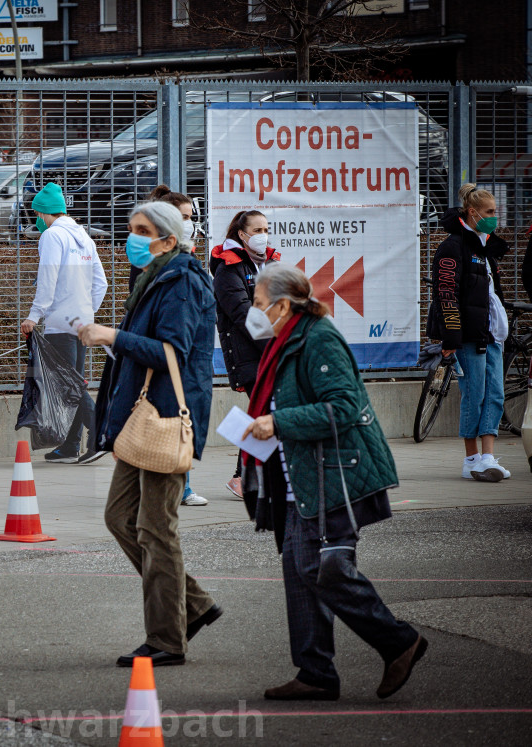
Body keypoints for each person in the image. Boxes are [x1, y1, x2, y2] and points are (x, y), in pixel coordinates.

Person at [241, 263, 426, 701]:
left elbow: (344, 407)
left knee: (320, 570)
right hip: (299, 477)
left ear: (284, 306)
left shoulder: (318, 338)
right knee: (299, 571)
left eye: (259, 304)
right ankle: (315, 673)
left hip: (333, 474)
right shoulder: (285, 339)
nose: (253, 311)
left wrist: (278, 422)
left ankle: (398, 641)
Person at [82, 201, 221, 667]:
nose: (132, 238)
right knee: (121, 517)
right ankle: (194, 606)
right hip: (140, 421)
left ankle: (166, 639)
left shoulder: (180, 280)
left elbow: (173, 353)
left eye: (142, 230)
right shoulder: (154, 276)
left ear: (167, 237)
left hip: (163, 420)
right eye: (130, 229)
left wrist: (110, 336)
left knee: (156, 529)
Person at [427, 184, 511, 482]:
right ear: (472, 212)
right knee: (474, 394)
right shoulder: (452, 246)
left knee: (495, 395)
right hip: (467, 336)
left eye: (495, 212)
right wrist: (451, 337)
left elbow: (491, 293)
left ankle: (488, 457)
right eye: (489, 212)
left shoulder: (485, 247)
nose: (494, 218)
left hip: (491, 334)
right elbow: (445, 293)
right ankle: (471, 459)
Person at [130, 186, 207, 506]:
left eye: (190, 217)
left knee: (176, 422)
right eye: (183, 217)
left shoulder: (184, 272)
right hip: (152, 365)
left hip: (175, 371)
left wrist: (115, 338)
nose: (190, 223)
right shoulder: (151, 262)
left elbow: (174, 346)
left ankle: (181, 485)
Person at [22, 182, 109, 465]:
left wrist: (34, 315)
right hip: (82, 323)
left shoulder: (51, 236)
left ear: (43, 212)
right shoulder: (84, 237)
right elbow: (102, 283)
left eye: (36, 214)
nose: (36, 219)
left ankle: (99, 434)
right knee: (74, 381)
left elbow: (48, 279)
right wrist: (86, 311)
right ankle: (70, 445)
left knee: (68, 386)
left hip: (59, 322)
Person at [211, 210, 280, 500]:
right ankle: (243, 477)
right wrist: (274, 348)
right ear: (241, 234)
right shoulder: (229, 269)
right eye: (257, 229)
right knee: (264, 409)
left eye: (266, 228)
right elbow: (242, 315)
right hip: (248, 354)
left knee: (266, 410)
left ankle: (253, 476)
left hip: (271, 349)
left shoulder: (271, 264)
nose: (263, 234)